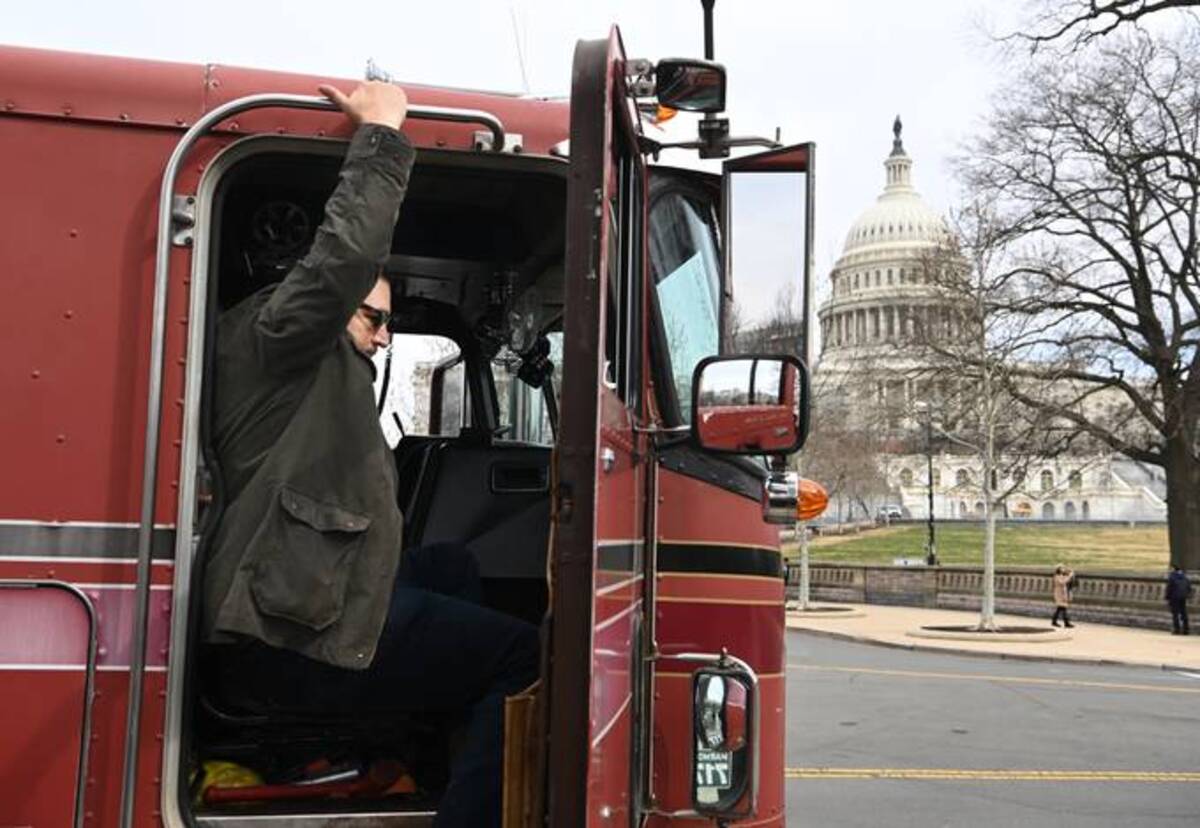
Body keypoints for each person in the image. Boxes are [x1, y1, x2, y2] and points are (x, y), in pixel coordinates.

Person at [201, 81, 538, 827]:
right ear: (315, 298)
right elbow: (344, 259)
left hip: (298, 601)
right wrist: (383, 134)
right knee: (523, 657)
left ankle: (436, 748)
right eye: (373, 317)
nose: (384, 335)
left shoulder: (286, 355)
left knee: (452, 566)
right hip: (292, 634)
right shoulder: (284, 334)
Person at [1166, 564, 1192, 636]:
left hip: (1174, 597)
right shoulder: (1185, 577)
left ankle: (1176, 629)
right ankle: (1186, 629)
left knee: (1175, 613)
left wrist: (1167, 597)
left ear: (1173, 569)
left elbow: (1169, 588)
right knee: (1183, 613)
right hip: (1183, 597)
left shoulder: (1172, 577)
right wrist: (1187, 595)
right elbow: (1189, 587)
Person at [1051, 564, 1075, 628]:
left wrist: (1069, 574)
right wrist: (1069, 576)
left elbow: (1066, 580)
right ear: (1059, 570)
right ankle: (1066, 623)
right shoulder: (1057, 576)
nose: (1063, 569)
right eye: (1062, 568)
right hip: (1059, 594)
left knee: (1060, 608)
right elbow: (1063, 582)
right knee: (1063, 608)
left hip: (1062, 593)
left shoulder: (1060, 575)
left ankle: (1054, 621)